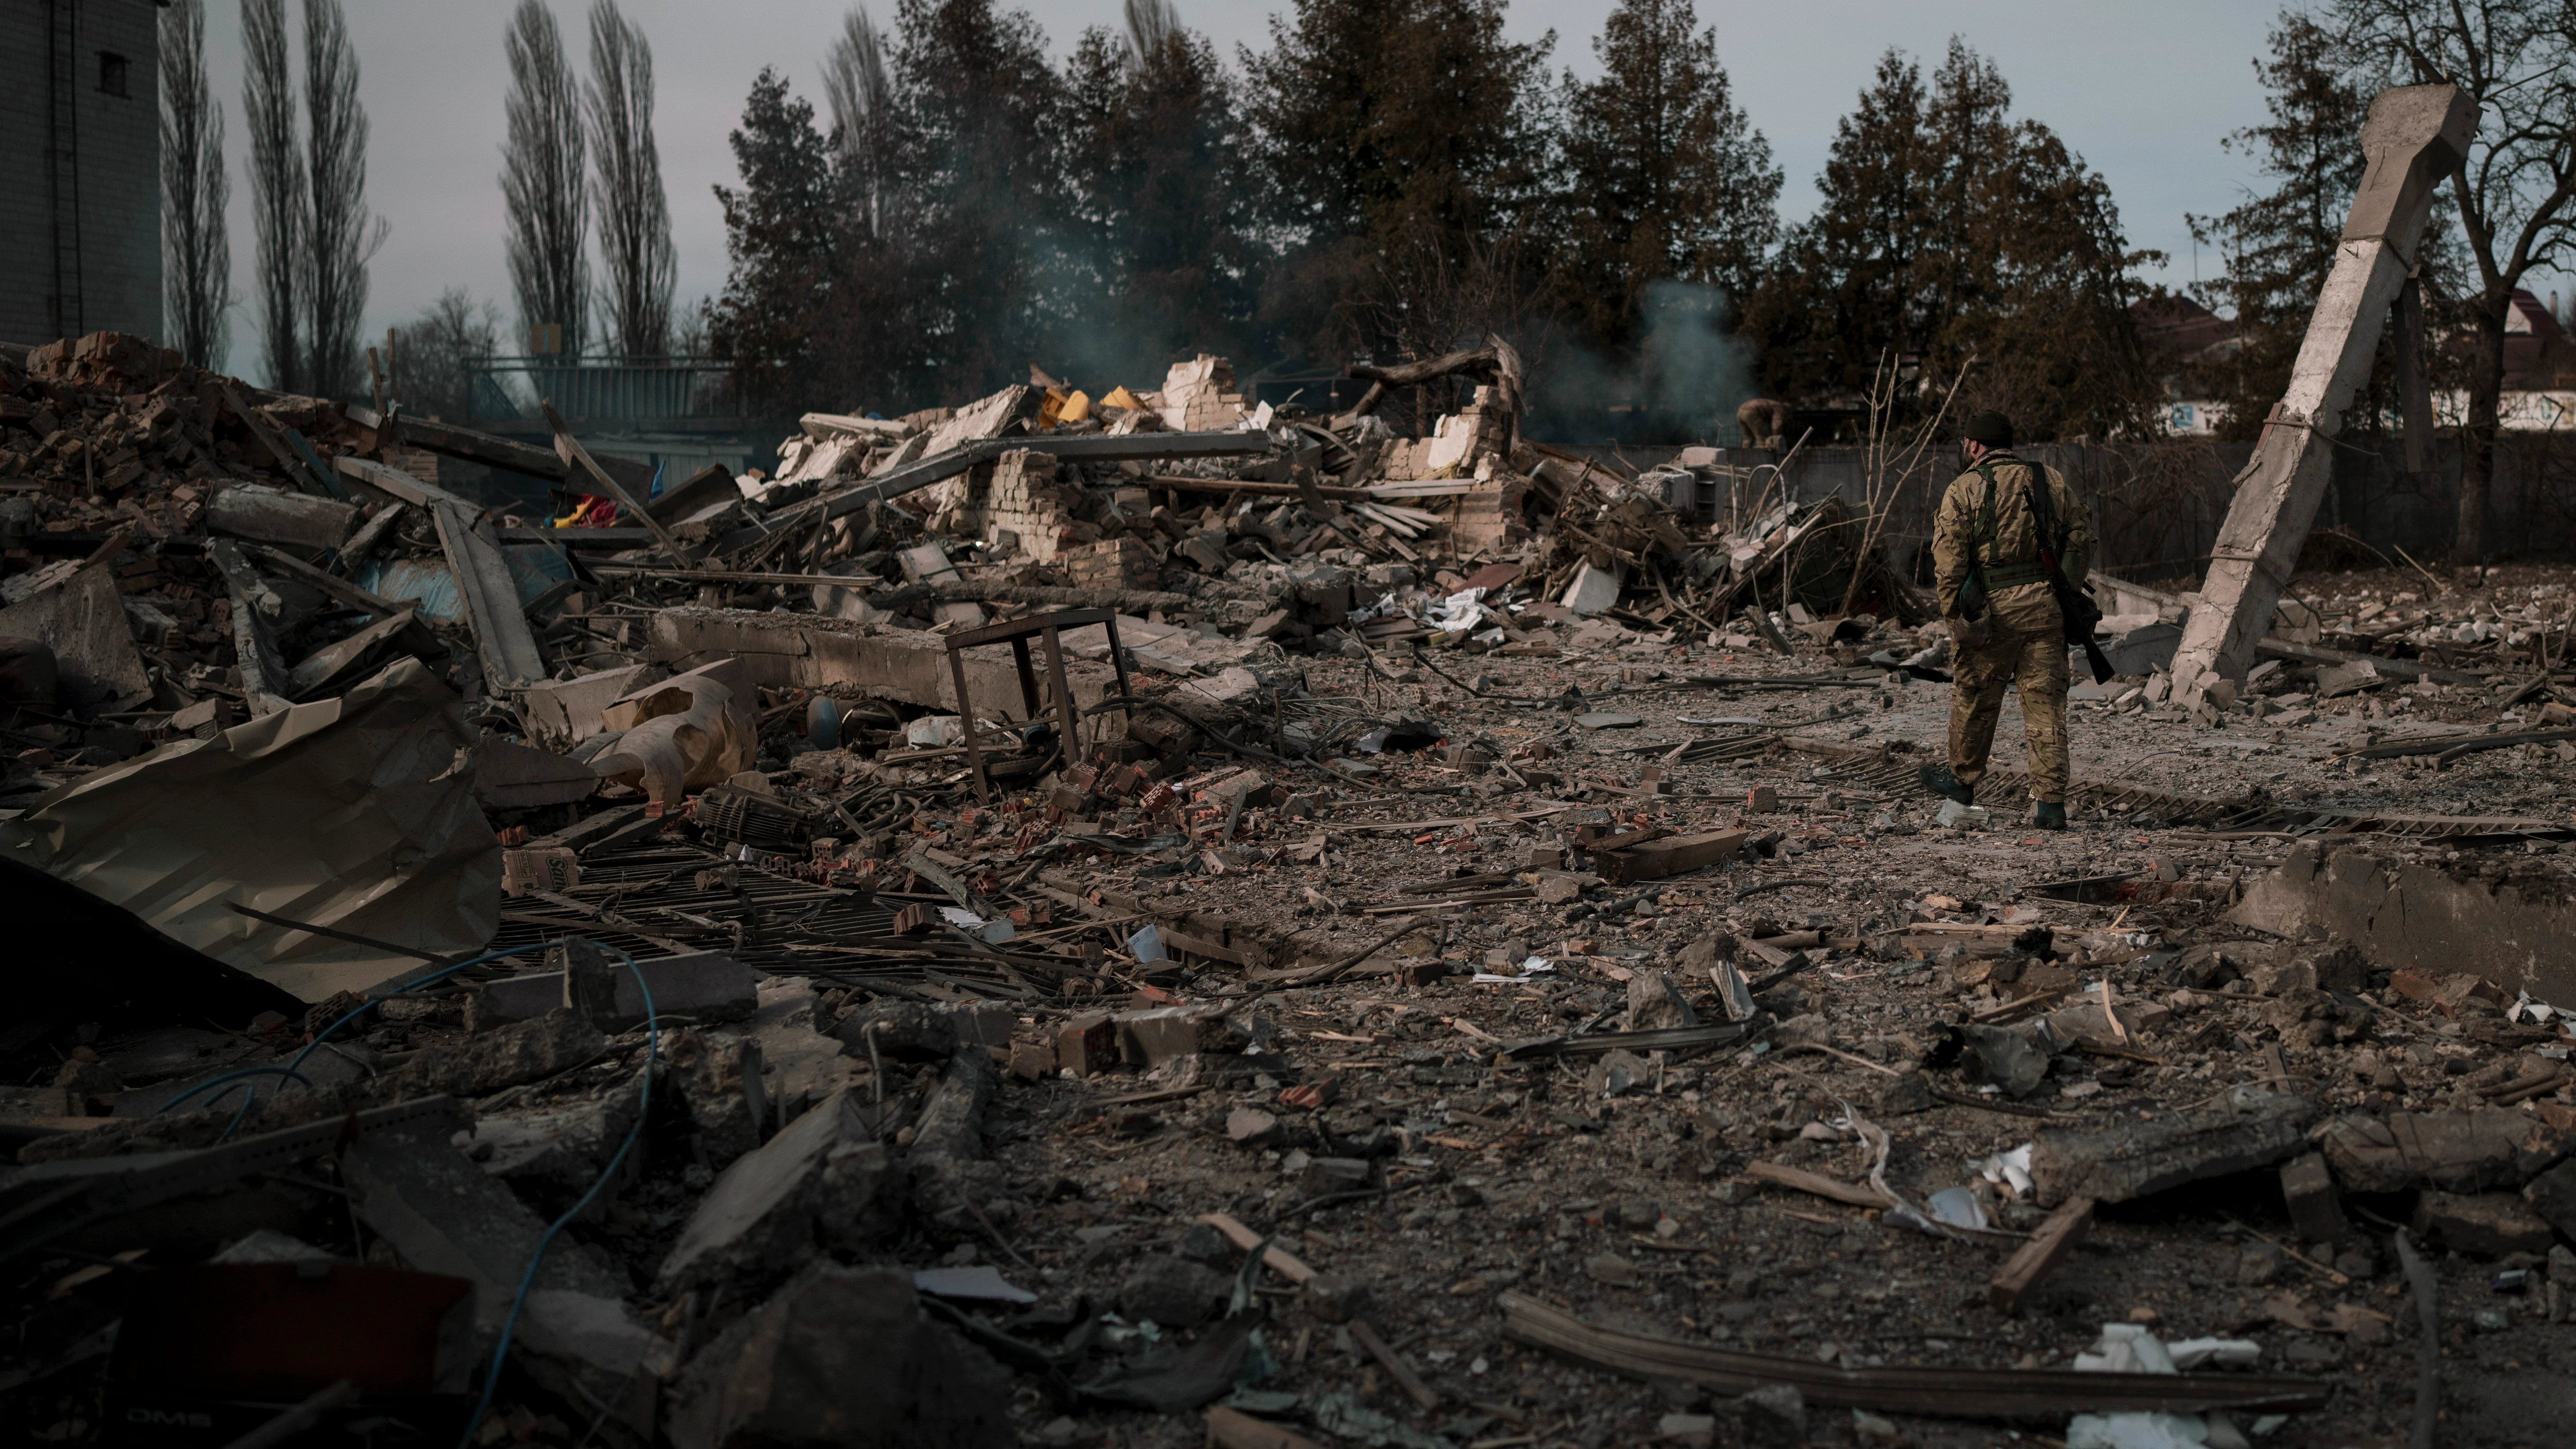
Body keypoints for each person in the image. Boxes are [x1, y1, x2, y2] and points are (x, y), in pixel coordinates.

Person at [1922, 410, 2094, 829]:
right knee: (2046, 706)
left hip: (1992, 612)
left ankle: (1962, 782)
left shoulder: (1963, 488)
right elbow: (2082, 536)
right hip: (2046, 608)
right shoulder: (2049, 480)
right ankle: (2050, 805)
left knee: (1976, 698)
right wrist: (2065, 587)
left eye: (1966, 443)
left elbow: (1948, 565)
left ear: (1975, 445)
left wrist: (1956, 619)